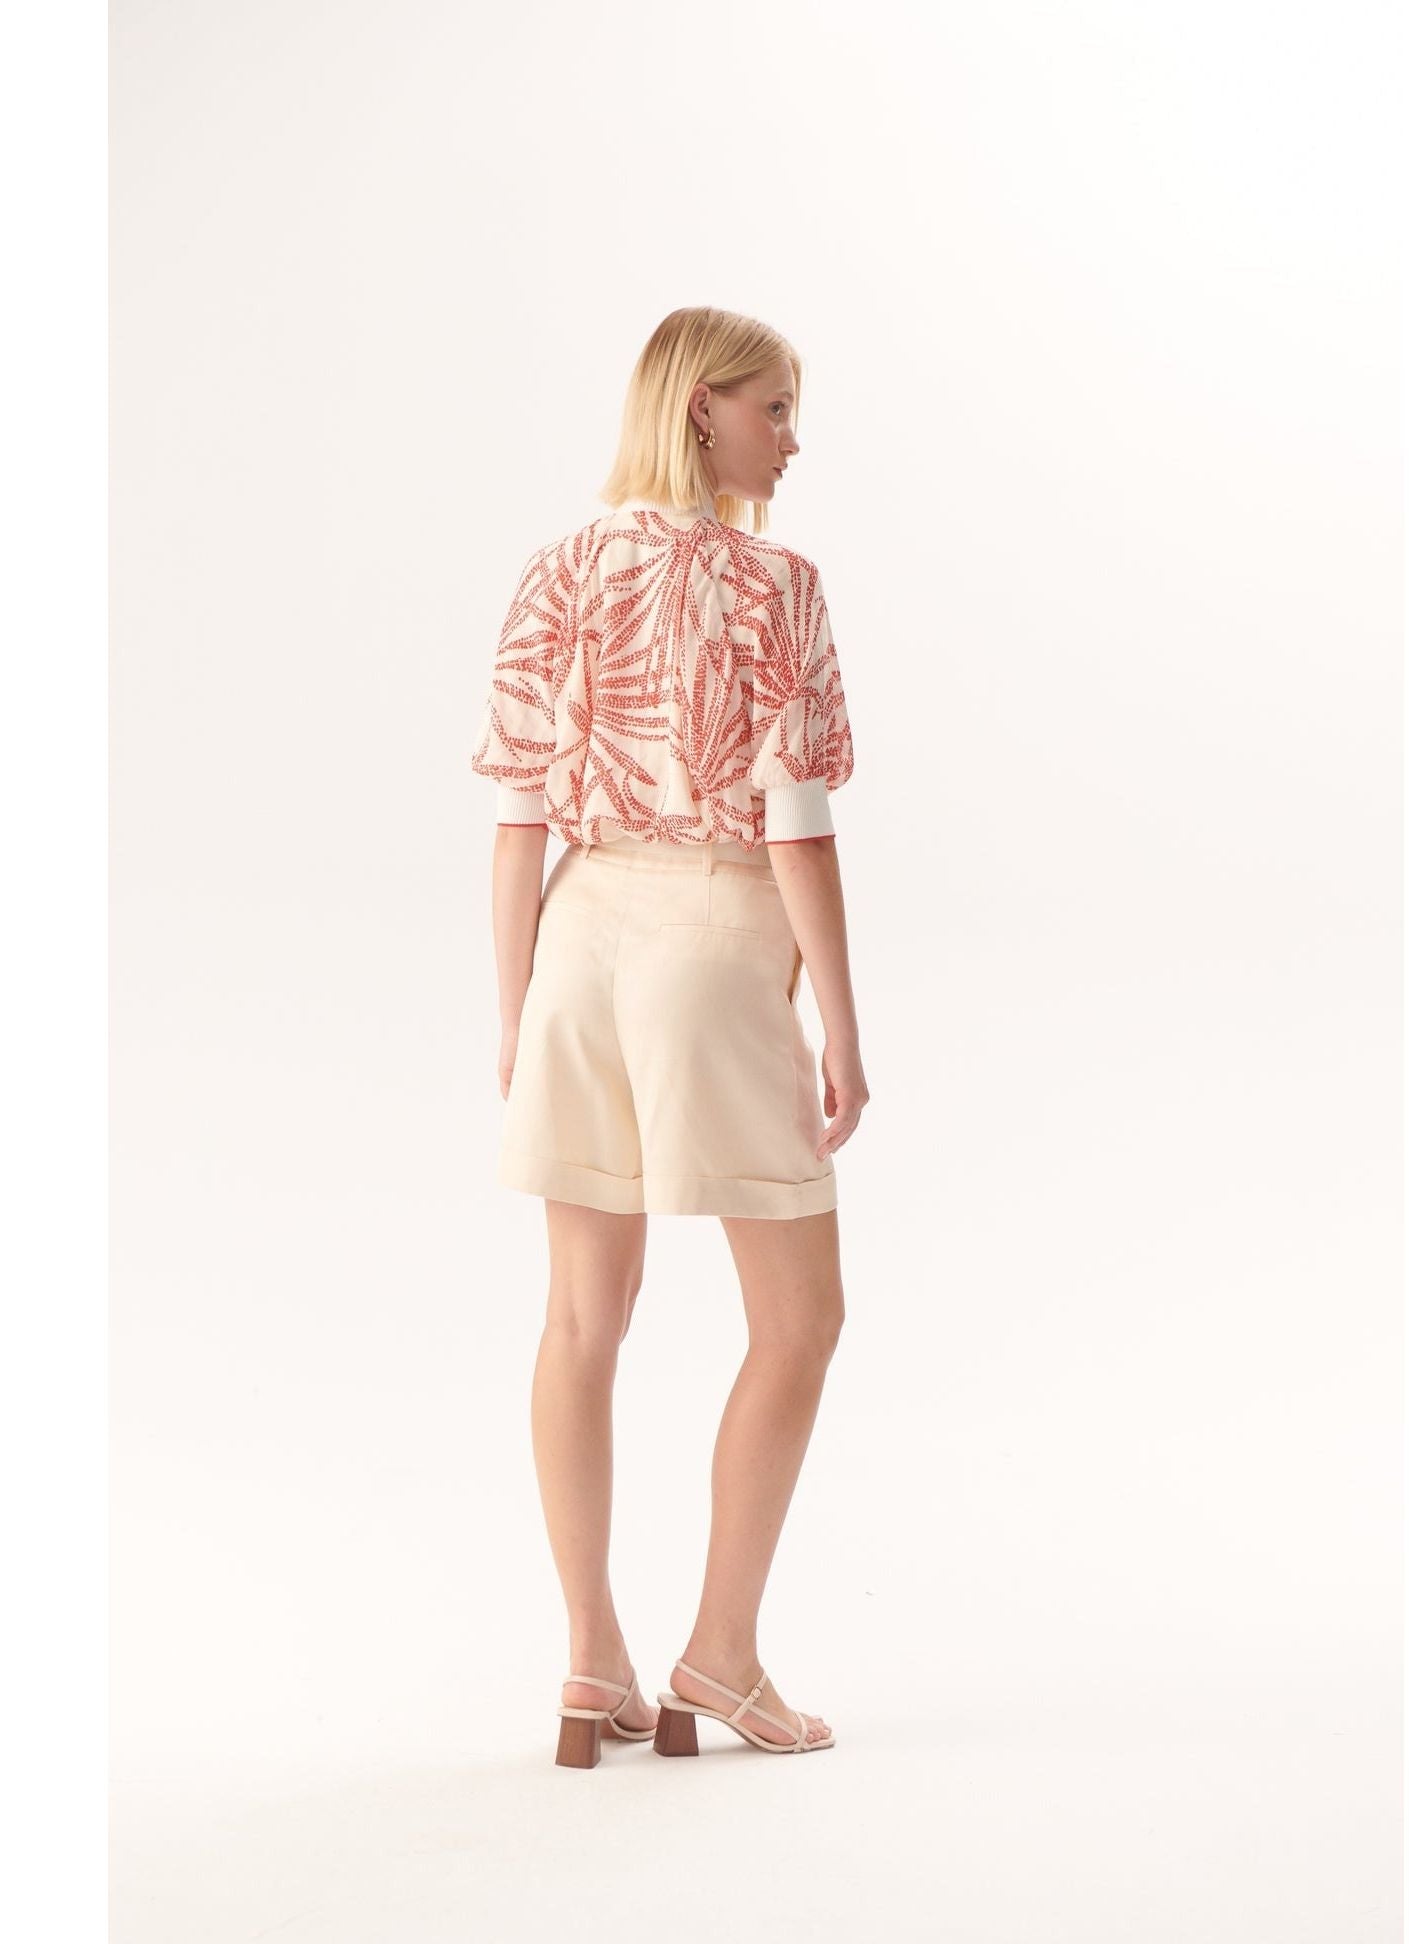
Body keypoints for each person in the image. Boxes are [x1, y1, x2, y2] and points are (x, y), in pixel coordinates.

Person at [469, 307, 868, 1762]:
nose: (793, 438)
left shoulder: (557, 571)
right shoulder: (777, 587)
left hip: (579, 939)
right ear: (704, 409)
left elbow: (517, 823)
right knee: (800, 1319)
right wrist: (841, 1025)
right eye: (775, 408)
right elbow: (796, 831)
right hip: (712, 937)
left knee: (582, 1319)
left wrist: (516, 1010)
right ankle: (723, 1654)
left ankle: (592, 1661)